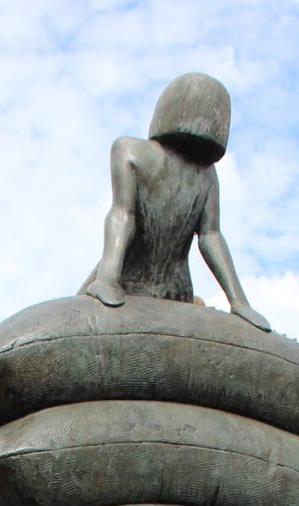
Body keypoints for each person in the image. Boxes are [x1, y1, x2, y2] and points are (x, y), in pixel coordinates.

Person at [81, 71, 269, 327]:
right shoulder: (206, 175)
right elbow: (211, 237)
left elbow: (123, 214)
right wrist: (239, 302)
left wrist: (108, 279)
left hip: (132, 282)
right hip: (175, 291)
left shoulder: (130, 149)